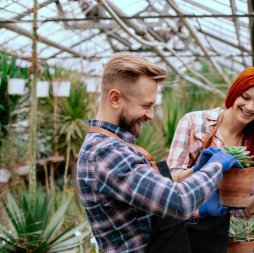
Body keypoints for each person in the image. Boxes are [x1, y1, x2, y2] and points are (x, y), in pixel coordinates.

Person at [76, 52, 242, 253]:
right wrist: (216, 166)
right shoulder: (106, 152)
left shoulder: (113, 146)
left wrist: (195, 173)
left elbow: (146, 213)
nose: (150, 115)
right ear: (115, 98)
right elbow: (177, 201)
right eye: (145, 106)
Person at [167, 67, 254, 253]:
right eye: (245, 97)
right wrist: (197, 169)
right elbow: (169, 179)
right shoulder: (194, 122)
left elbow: (239, 211)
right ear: (235, 92)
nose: (250, 106)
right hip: (178, 226)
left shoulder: (253, 144)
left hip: (214, 235)